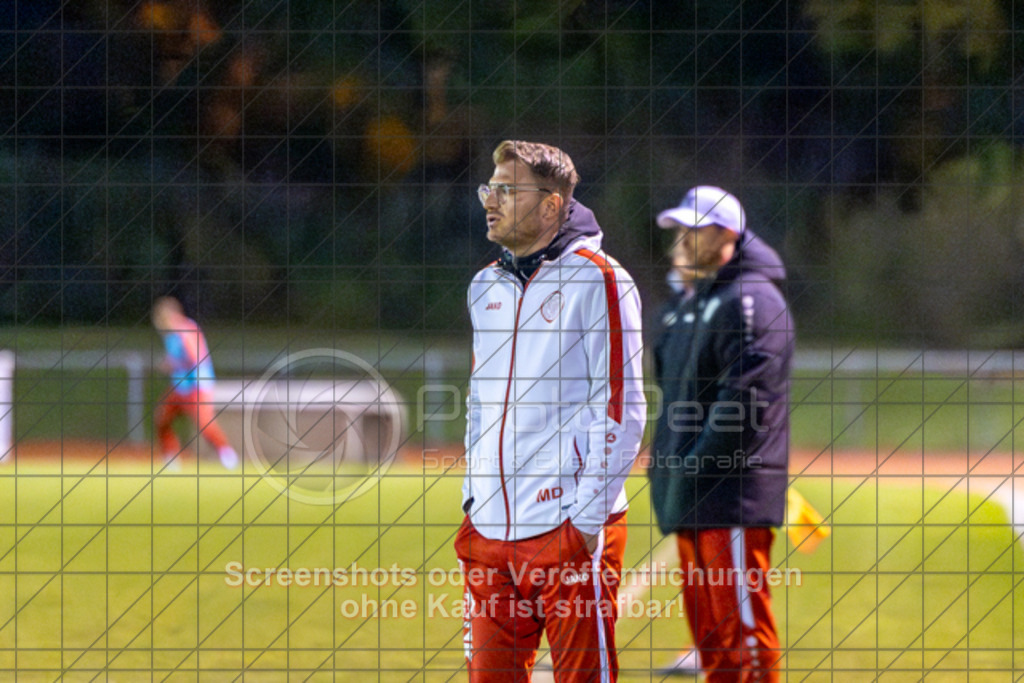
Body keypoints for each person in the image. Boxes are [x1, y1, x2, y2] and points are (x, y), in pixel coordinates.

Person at [456, 140, 646, 681]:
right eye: (488, 189)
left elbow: (623, 408)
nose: (490, 201)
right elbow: (478, 400)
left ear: (550, 206)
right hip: (489, 532)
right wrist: (473, 497)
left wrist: (585, 523)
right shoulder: (483, 286)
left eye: (506, 190)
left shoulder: (600, 278)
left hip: (566, 530)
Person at [648, 186, 794, 681]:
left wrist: (691, 466)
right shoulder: (701, 300)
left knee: (743, 633)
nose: (684, 240)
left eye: (696, 230)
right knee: (713, 642)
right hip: (693, 494)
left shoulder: (751, 298)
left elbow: (745, 404)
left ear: (727, 235)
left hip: (728, 494)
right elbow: (672, 385)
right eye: (681, 230)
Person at [152, 296, 239, 470]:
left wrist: (172, 364)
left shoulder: (185, 329)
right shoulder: (171, 335)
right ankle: (171, 457)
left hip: (197, 385)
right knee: (162, 418)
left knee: (204, 422)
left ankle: (227, 454)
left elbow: (195, 358)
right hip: (180, 385)